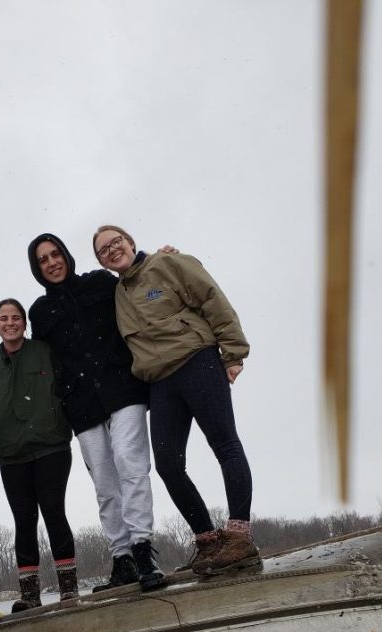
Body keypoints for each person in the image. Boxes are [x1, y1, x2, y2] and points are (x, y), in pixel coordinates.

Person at [93, 226, 259, 575]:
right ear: (101, 263)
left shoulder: (168, 263)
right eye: (103, 251)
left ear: (130, 242)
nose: (111, 251)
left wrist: (233, 352)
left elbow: (211, 297)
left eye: (115, 242)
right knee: (168, 465)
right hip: (159, 381)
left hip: (196, 360)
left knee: (224, 444)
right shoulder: (116, 293)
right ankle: (209, 542)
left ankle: (240, 538)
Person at [26, 233, 167, 592]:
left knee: (130, 463)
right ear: (36, 269)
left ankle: (142, 549)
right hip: (81, 404)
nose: (52, 263)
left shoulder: (100, 283)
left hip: (123, 389)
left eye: (55, 254)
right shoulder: (40, 313)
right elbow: (36, 356)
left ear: (66, 256)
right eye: (43, 260)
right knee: (104, 482)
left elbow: (136, 285)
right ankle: (122, 559)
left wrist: (156, 259)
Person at [0, 299, 78, 612]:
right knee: (23, 521)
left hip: (51, 447)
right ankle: (30, 596)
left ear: (24, 322)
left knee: (53, 511)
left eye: (15, 318)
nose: (10, 323)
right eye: (3, 318)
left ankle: (68, 590)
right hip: (11, 454)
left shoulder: (44, 351)